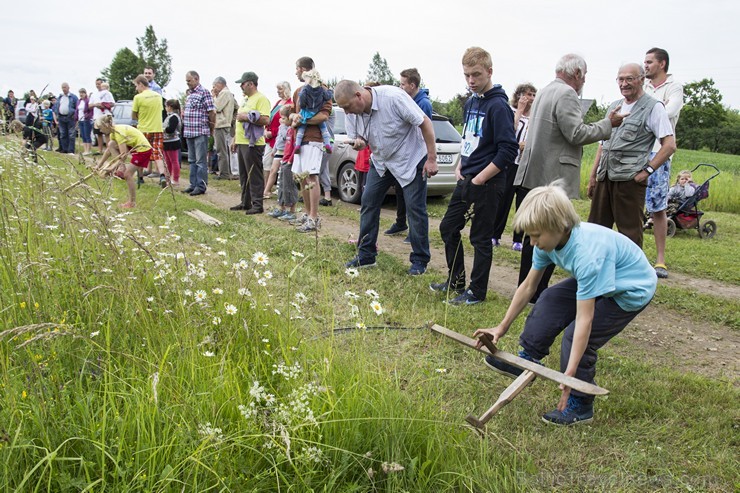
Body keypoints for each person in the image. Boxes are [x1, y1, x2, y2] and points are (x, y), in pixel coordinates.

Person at [474, 182, 657, 426]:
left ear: (559, 226)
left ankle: (580, 404)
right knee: (549, 297)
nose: (532, 242)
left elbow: (584, 319)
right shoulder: (548, 241)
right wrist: (501, 327)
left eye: (536, 236)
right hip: (605, 275)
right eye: (530, 235)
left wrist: (569, 375)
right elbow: (528, 286)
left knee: (576, 337)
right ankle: (527, 359)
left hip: (631, 289)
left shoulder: (586, 255)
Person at [514, 54, 624, 304]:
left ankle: (528, 287)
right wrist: (609, 123)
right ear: (576, 74)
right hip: (554, 175)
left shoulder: (543, 91)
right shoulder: (567, 94)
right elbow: (575, 133)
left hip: (536, 171)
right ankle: (537, 292)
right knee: (552, 232)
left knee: (535, 232)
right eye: (584, 75)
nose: (583, 80)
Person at [433, 47, 518, 304]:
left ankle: (476, 292)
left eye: (476, 75)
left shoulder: (499, 106)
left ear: (489, 72)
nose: (471, 80)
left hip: (488, 182)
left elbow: (508, 150)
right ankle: (456, 280)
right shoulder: (471, 102)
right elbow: (469, 139)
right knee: (448, 227)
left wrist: (481, 177)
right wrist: (460, 164)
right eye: (467, 75)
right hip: (466, 177)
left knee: (480, 238)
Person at [336, 79, 438, 273]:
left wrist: (431, 158)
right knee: (368, 202)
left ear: (359, 95)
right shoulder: (351, 111)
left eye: (348, 107)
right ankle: (366, 255)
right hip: (382, 161)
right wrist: (359, 143)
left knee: (415, 209)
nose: (347, 112)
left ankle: (420, 261)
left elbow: (425, 122)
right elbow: (362, 140)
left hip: (410, 158)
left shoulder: (393, 97)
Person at [588, 63, 677, 248]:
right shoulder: (614, 106)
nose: (624, 84)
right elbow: (603, 144)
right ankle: (595, 272)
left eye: (630, 78)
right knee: (595, 231)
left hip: (630, 180)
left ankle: (631, 275)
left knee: (630, 235)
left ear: (642, 80)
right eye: (620, 79)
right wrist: (593, 175)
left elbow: (669, 146)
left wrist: (646, 171)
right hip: (605, 177)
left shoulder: (653, 107)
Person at [643, 47, 684, 279]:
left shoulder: (674, 87)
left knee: (658, 208)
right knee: (630, 205)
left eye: (649, 62)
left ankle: (660, 260)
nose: (645, 65)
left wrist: (648, 111)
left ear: (662, 63)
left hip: (659, 153)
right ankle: (632, 256)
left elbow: (669, 111)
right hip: (638, 151)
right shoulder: (644, 86)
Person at [385, 68, 434, 242]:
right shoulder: (407, 100)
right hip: (403, 157)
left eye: (402, 84)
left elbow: (423, 131)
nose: (400, 87)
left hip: (416, 157)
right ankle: (400, 223)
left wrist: (429, 157)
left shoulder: (423, 104)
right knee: (400, 192)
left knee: (415, 199)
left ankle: (415, 233)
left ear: (412, 85)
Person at [289, 56, 333, 232]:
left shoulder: (322, 89)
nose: (296, 72)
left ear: (304, 69)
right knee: (301, 178)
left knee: (312, 177)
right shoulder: (299, 90)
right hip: (299, 140)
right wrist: (294, 118)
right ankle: (307, 214)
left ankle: (314, 218)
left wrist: (302, 121)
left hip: (314, 139)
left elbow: (324, 115)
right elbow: (292, 113)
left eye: (297, 68)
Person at [492, 83, 536, 251]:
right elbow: (509, 131)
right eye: (527, 95)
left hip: (525, 165)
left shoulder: (535, 118)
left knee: (523, 203)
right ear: (518, 96)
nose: (530, 98)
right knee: (504, 201)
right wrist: (519, 110)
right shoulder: (510, 112)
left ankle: (517, 238)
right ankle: (495, 235)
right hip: (509, 163)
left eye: (533, 95)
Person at [230, 71, 270, 214]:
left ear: (251, 84)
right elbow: (239, 120)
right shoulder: (246, 99)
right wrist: (235, 139)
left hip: (253, 143)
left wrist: (246, 117)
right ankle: (245, 202)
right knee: (244, 174)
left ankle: (257, 204)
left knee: (254, 174)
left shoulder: (261, 99)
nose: (241, 86)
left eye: (243, 83)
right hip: (242, 141)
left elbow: (266, 119)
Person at [94, 115, 153, 209]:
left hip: (143, 150)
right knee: (111, 144)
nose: (100, 131)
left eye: (100, 128)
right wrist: (99, 165)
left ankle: (132, 203)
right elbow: (109, 150)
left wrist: (112, 167)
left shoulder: (119, 133)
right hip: (135, 147)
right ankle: (120, 167)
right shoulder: (113, 132)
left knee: (128, 175)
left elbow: (123, 154)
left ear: (106, 125)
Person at [182, 70, 216, 196]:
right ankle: (193, 184)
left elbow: (211, 112)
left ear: (196, 79)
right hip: (189, 131)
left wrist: (211, 127)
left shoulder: (204, 92)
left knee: (200, 161)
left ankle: (201, 186)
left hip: (200, 131)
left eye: (189, 81)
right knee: (191, 160)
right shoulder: (189, 94)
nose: (188, 83)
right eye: (187, 81)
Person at [132, 74, 168, 187]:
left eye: (136, 86)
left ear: (141, 84)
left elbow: (134, 115)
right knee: (157, 154)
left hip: (143, 129)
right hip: (157, 129)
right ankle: (162, 175)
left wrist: (141, 117)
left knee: (141, 153)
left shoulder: (138, 97)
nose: (136, 89)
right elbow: (160, 111)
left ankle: (140, 177)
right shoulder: (158, 96)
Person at [267, 104, 299, 221]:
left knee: (289, 185)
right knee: (281, 184)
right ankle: (280, 207)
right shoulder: (287, 130)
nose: (281, 120)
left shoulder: (294, 131)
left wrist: (290, 159)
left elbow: (295, 147)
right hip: (284, 159)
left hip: (290, 160)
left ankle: (291, 210)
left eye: (284, 118)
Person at [263, 81, 292, 197]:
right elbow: (271, 118)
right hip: (271, 139)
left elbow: (285, 125)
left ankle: (271, 189)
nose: (278, 92)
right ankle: (267, 187)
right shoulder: (278, 103)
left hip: (279, 140)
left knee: (277, 167)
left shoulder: (290, 104)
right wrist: (266, 130)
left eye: (280, 89)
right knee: (266, 162)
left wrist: (273, 132)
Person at [212, 76, 237, 180]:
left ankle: (224, 173)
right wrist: (232, 119)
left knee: (221, 150)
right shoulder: (230, 94)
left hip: (221, 124)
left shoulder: (224, 93)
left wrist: (213, 96)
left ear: (220, 84)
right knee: (223, 149)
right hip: (226, 123)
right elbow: (236, 107)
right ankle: (225, 172)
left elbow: (216, 107)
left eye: (214, 86)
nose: (213, 88)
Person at [89, 78, 115, 154]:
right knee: (98, 134)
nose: (98, 85)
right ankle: (100, 150)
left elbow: (113, 103)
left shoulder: (108, 93)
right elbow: (89, 105)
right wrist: (95, 104)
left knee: (107, 134)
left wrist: (105, 105)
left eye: (99, 84)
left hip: (106, 115)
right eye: (96, 84)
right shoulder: (94, 94)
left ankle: (109, 150)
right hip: (97, 116)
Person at [53, 83, 79, 154]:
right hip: (61, 117)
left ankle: (71, 150)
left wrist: (75, 115)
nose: (64, 89)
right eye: (62, 87)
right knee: (63, 134)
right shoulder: (60, 97)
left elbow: (77, 107)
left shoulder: (73, 97)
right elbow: (56, 106)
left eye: (65, 87)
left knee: (71, 134)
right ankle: (64, 149)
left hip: (70, 117)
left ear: (68, 88)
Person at [163, 99, 182, 186]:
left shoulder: (174, 117)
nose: (165, 108)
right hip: (166, 141)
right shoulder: (169, 116)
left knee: (174, 161)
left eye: (166, 106)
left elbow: (171, 129)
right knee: (167, 161)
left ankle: (176, 179)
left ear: (170, 107)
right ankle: (168, 177)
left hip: (172, 141)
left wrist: (163, 129)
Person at [77, 88, 94, 155]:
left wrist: (87, 116)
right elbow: (77, 110)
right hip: (80, 119)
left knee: (87, 135)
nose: (81, 94)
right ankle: (85, 149)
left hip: (86, 120)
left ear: (85, 93)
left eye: (82, 93)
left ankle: (88, 150)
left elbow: (90, 111)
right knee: (83, 135)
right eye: (80, 93)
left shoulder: (87, 101)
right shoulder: (79, 101)